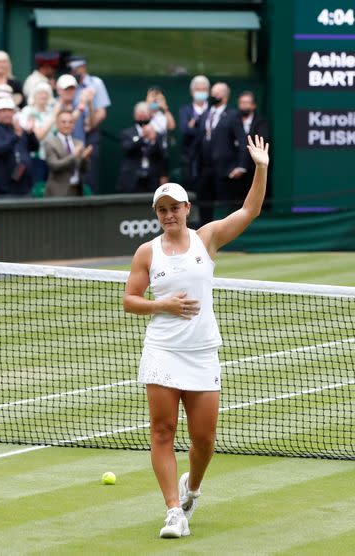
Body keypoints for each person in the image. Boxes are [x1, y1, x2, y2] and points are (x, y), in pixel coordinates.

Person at [123, 135, 269, 539]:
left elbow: (250, 209)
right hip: (163, 350)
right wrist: (162, 306)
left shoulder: (208, 239)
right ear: (157, 213)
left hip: (202, 352)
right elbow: (130, 300)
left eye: (175, 208)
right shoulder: (147, 253)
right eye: (162, 210)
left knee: (204, 440)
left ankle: (192, 488)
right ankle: (173, 511)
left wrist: (260, 167)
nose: (169, 214)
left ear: (187, 208)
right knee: (162, 431)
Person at [192, 82, 248, 226]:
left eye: (217, 93)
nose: (213, 96)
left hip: (225, 170)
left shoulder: (233, 115)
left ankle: (229, 242)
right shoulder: (205, 114)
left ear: (225, 96)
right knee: (204, 207)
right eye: (212, 93)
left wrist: (241, 166)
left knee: (226, 209)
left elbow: (242, 141)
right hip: (205, 169)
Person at [0, 97, 38, 197]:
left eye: (10, 110)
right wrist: (15, 137)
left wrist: (31, 134)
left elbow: (34, 147)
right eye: (3, 111)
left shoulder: (19, 130)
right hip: (4, 189)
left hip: (25, 188)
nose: (7, 114)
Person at [69, 56, 108, 193]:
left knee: (90, 177)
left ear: (84, 67)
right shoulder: (69, 84)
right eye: (72, 69)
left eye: (77, 68)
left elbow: (101, 112)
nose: (74, 71)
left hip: (90, 135)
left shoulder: (96, 83)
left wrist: (89, 125)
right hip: (71, 135)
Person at [116, 102, 166, 193]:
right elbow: (127, 149)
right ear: (135, 116)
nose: (142, 118)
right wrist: (142, 137)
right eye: (140, 115)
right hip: (132, 178)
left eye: (145, 115)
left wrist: (154, 140)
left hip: (152, 179)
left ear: (150, 116)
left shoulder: (157, 134)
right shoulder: (127, 133)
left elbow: (162, 154)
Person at [43, 110, 91, 197]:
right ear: (57, 124)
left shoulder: (78, 143)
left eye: (70, 122)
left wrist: (84, 158)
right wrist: (73, 155)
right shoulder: (50, 143)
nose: (67, 125)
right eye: (63, 122)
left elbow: (84, 169)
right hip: (57, 192)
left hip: (77, 190)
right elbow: (55, 166)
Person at [19, 82, 60, 183]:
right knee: (38, 188)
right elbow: (38, 136)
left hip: (53, 158)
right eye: (40, 93)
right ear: (34, 95)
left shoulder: (52, 111)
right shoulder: (27, 111)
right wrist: (53, 117)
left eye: (46, 93)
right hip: (36, 158)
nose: (44, 95)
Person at [177, 75, 209, 190]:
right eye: (198, 89)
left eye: (203, 90)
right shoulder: (185, 110)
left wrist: (193, 126)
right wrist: (204, 130)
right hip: (189, 160)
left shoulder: (212, 110)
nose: (201, 92)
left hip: (209, 162)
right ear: (192, 92)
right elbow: (185, 130)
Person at [237, 91, 271, 198]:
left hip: (254, 169)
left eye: (247, 103)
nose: (244, 105)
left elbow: (260, 142)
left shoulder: (261, 122)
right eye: (241, 103)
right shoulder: (233, 120)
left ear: (253, 105)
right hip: (235, 173)